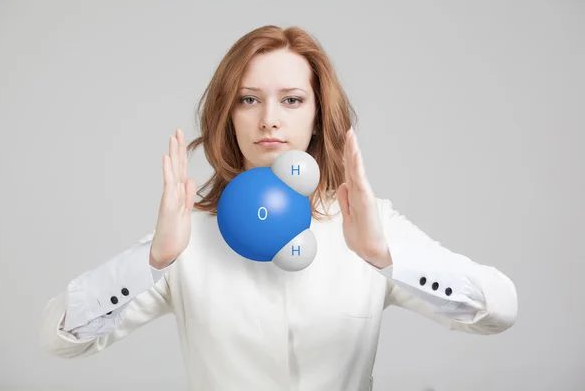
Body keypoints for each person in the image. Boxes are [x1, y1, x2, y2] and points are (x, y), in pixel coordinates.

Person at [39, 25, 518, 390]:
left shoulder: (366, 224)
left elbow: (499, 310)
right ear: (228, 114)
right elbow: (60, 337)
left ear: (316, 114)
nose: (270, 119)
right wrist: (153, 261)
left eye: (291, 100)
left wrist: (386, 257)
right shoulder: (189, 237)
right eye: (249, 99)